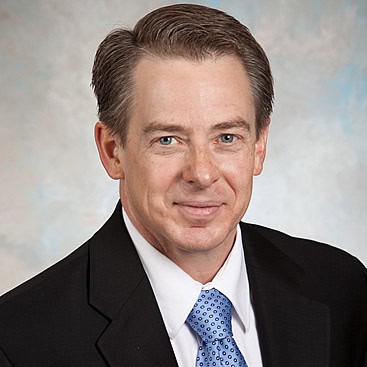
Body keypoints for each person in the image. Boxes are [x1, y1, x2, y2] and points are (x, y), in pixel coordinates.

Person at [0, 4, 366, 367]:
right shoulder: (19, 340)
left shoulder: (341, 289)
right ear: (113, 151)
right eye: (167, 140)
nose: (202, 174)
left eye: (226, 137)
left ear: (259, 146)